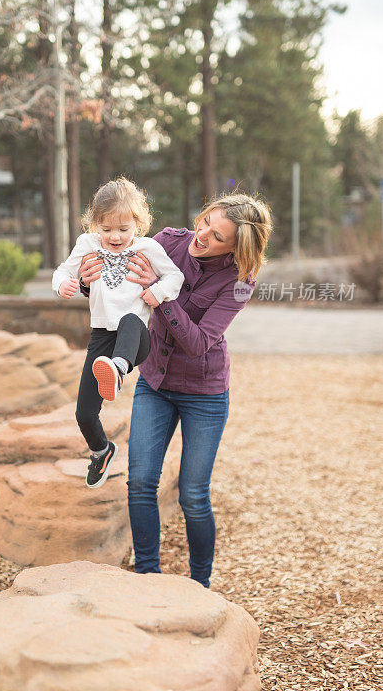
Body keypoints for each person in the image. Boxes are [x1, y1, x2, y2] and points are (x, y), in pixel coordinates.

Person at [79, 192, 273, 586]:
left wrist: (161, 294)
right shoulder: (166, 242)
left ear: (237, 247)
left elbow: (200, 341)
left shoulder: (240, 282)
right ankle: (149, 576)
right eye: (204, 222)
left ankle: (200, 584)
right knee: (141, 483)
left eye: (217, 236)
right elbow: (116, 284)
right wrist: (86, 284)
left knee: (193, 496)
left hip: (205, 393)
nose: (201, 235)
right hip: (156, 381)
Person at [52, 177, 184, 489]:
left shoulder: (148, 247)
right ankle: (101, 450)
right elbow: (62, 271)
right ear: (94, 222)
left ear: (138, 223)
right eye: (107, 228)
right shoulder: (87, 244)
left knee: (128, 320)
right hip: (101, 338)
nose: (114, 236)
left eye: (123, 229)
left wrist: (157, 292)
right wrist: (64, 285)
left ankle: (119, 368)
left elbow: (175, 277)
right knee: (84, 413)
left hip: (136, 337)